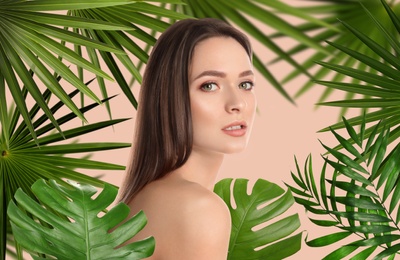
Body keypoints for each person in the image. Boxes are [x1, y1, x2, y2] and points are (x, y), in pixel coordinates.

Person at [119, 18, 256, 259]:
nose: (237, 103)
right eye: (210, 86)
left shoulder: (147, 196)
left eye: (245, 83)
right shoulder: (197, 207)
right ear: (171, 97)